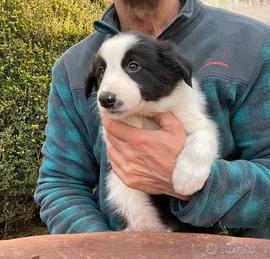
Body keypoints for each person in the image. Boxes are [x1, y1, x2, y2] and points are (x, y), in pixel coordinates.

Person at [34, 0, 270, 238]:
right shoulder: (72, 67)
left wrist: (199, 184)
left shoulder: (255, 45)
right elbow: (61, 184)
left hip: (232, 258)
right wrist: (106, 254)